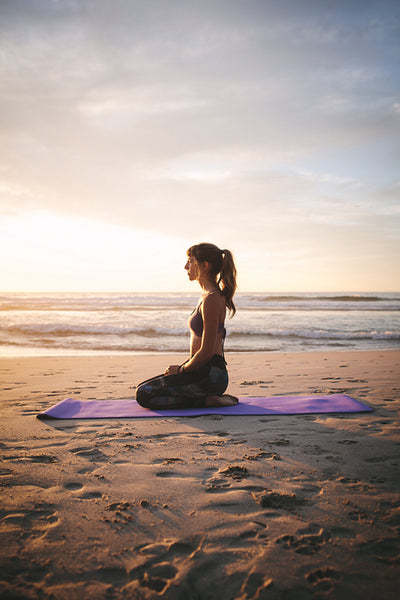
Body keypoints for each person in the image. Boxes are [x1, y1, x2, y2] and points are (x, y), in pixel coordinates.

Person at [136, 243, 238, 410]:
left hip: (210, 376)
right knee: (144, 387)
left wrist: (181, 370)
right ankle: (208, 398)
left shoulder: (211, 299)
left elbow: (206, 352)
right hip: (201, 371)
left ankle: (208, 401)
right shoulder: (207, 297)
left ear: (204, 266)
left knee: (144, 394)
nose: (185, 266)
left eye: (190, 261)